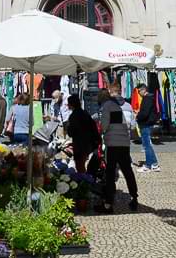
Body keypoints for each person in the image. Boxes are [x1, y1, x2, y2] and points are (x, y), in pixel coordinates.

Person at [95, 82, 139, 213]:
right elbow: (131, 125)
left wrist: (102, 129)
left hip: (112, 144)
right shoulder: (128, 106)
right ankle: (134, 197)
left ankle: (108, 203)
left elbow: (104, 126)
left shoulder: (108, 105)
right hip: (125, 143)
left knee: (110, 172)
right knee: (127, 171)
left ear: (110, 91)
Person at [66, 94, 101, 173]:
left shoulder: (73, 116)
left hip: (80, 145)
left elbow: (71, 132)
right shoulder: (85, 113)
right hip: (88, 143)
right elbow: (93, 127)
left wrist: (68, 127)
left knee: (80, 166)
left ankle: (84, 181)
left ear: (71, 105)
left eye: (68, 103)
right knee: (81, 165)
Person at [136, 84, 160, 173]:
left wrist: (137, 117)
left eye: (139, 91)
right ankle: (154, 164)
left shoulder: (147, 99)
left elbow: (145, 113)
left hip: (145, 124)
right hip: (147, 123)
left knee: (146, 146)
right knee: (148, 145)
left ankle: (148, 165)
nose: (139, 93)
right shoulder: (150, 98)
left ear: (143, 90)